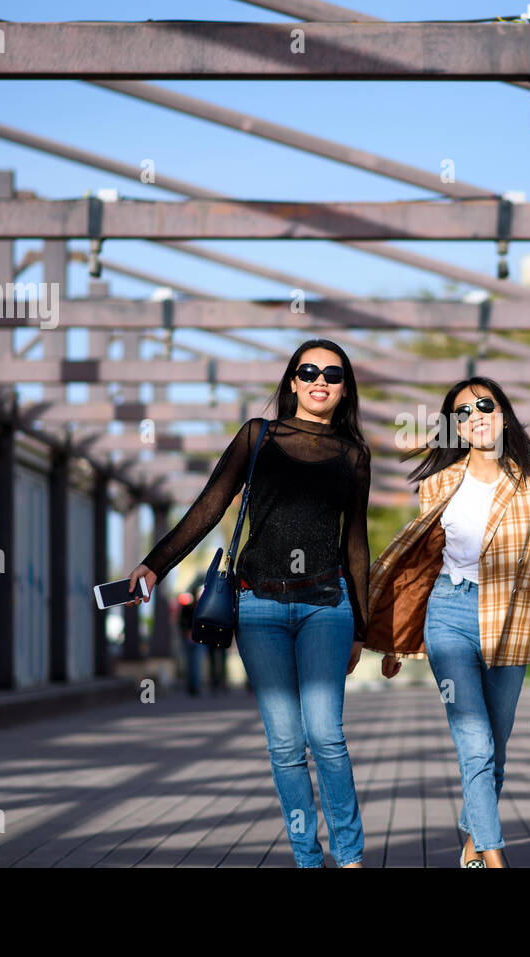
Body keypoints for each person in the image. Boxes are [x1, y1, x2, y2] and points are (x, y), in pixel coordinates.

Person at [125, 340, 371, 869]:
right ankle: (308, 860)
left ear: (345, 389)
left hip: (326, 605)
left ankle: (350, 858)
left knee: (325, 735)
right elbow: (209, 506)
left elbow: (357, 543)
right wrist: (156, 563)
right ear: (292, 382)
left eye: (332, 374)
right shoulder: (258, 437)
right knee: (285, 743)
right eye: (309, 371)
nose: (320, 380)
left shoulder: (354, 455)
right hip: (259, 607)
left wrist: (361, 628)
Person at [365, 376, 530, 869]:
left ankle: (473, 844)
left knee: (495, 749)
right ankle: (494, 860)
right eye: (463, 412)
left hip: (511, 624)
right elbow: (421, 564)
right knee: (474, 742)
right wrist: (396, 639)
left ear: (503, 415)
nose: (476, 416)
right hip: (449, 615)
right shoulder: (438, 483)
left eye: (485, 406)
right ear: (455, 427)